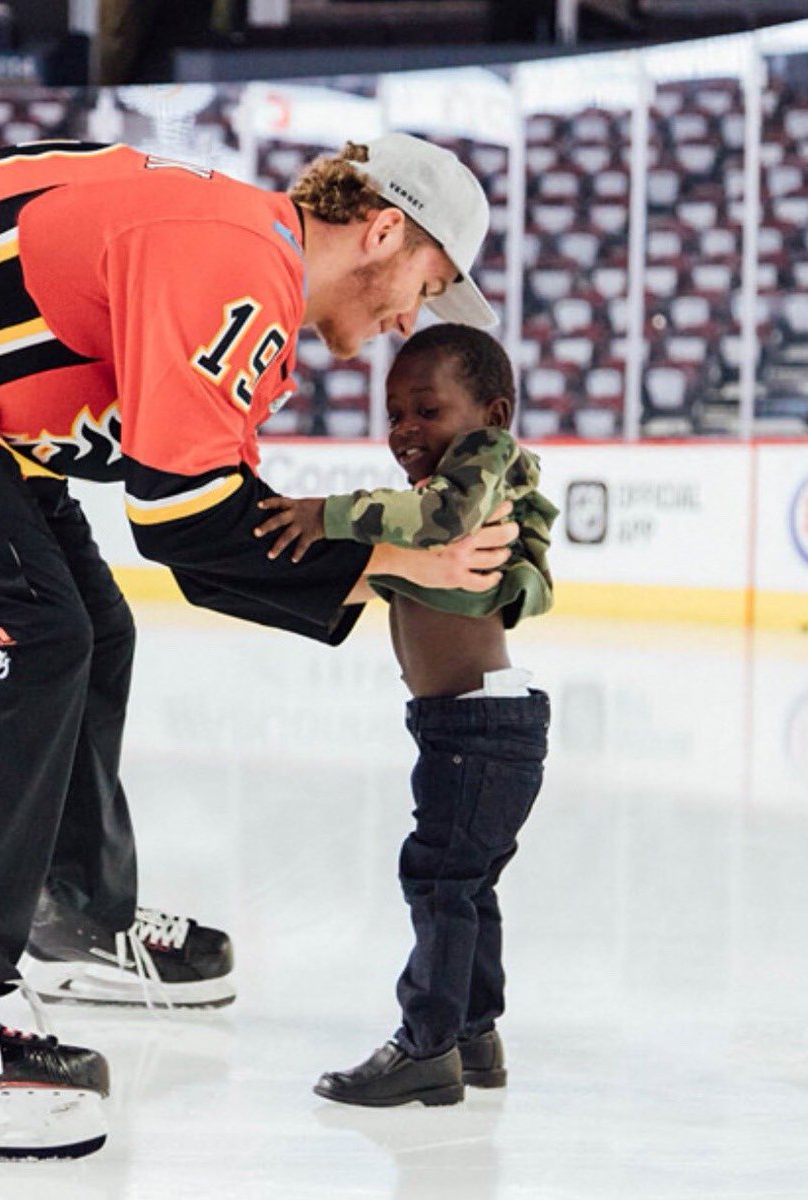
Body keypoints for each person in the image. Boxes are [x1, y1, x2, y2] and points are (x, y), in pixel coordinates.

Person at [0, 132, 515, 1156]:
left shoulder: (246, 252)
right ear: (381, 229)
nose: (413, 317)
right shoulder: (238, 262)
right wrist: (396, 567)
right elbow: (188, 526)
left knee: (90, 627)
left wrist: (375, 556)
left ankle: (74, 915)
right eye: (427, 281)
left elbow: (210, 511)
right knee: (18, 640)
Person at [254, 323, 556, 1107]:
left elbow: (439, 525)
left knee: (440, 884)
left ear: (490, 411)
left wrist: (329, 513)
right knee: (463, 884)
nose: (405, 431)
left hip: (479, 731)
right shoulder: (462, 476)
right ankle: (472, 1035)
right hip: (473, 728)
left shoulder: (480, 466)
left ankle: (426, 1047)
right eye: (394, 415)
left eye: (427, 410)